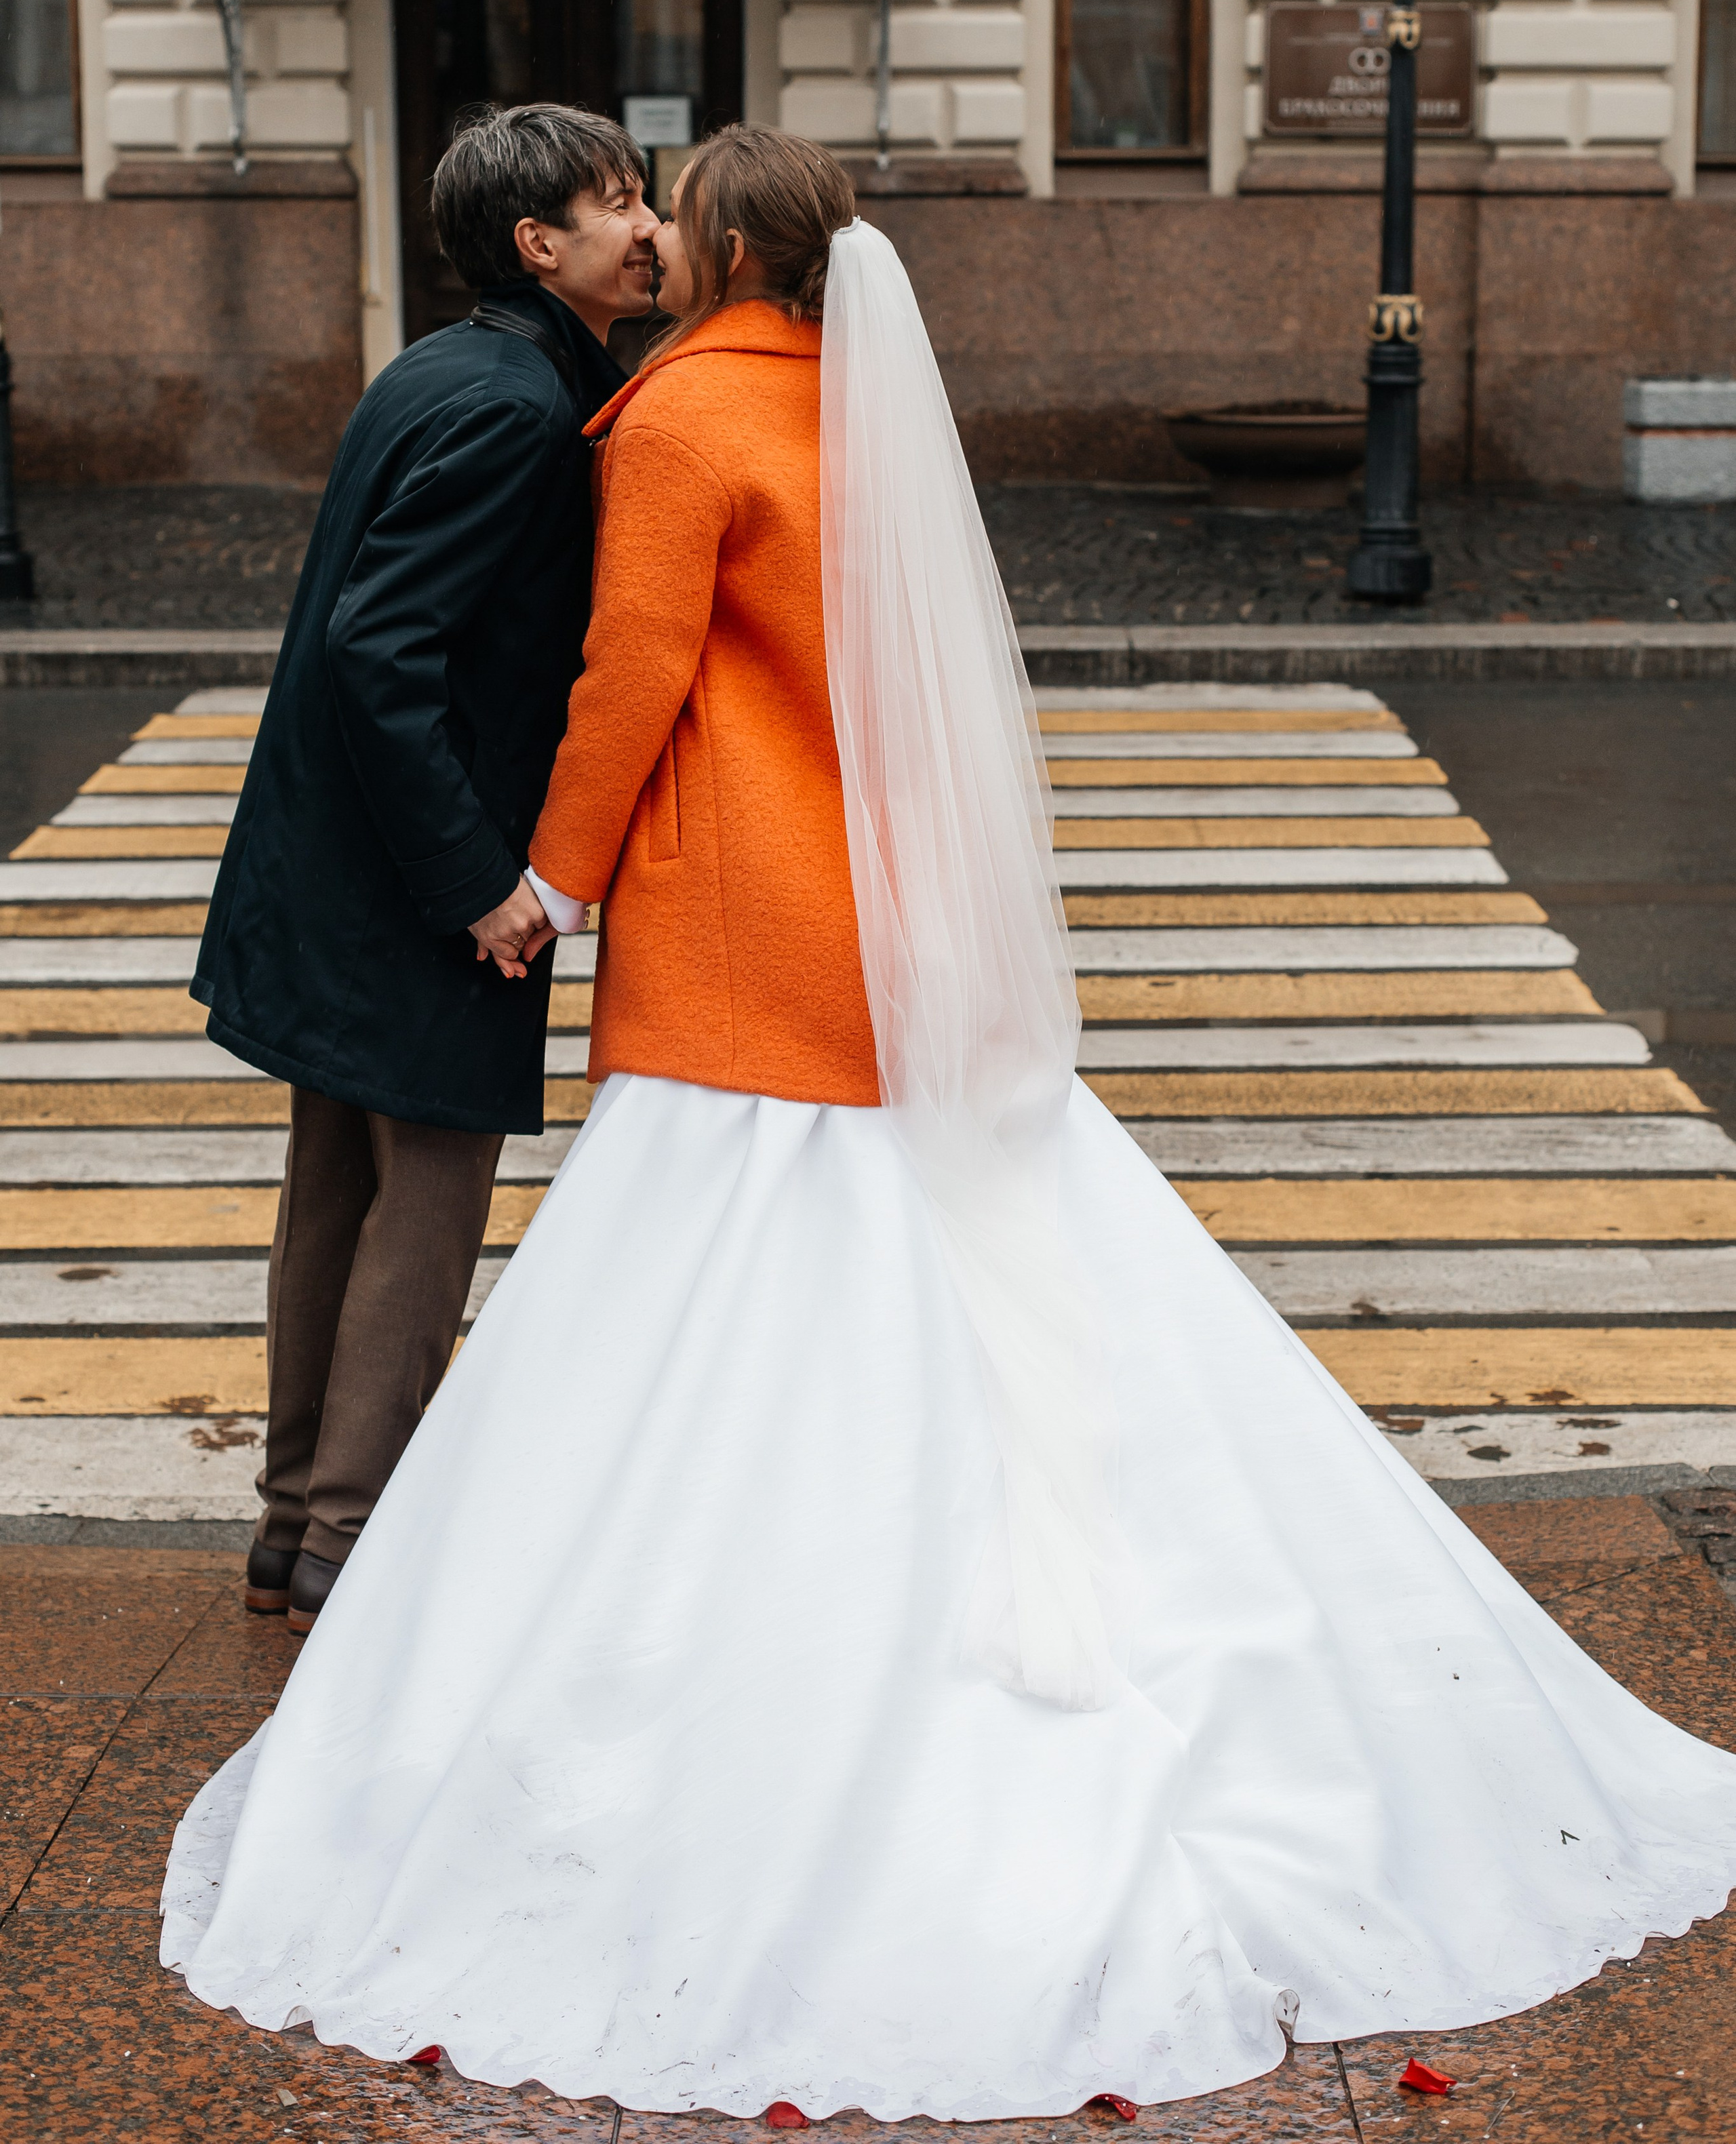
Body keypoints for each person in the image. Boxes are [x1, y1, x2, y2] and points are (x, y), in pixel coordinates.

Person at [163, 126, 1736, 2113]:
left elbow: (631, 681)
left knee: (707, 1311)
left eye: (670, 200)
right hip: (891, 941)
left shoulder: (671, 426)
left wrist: (552, 884)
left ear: (721, 248)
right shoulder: (865, 416)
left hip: (739, 954)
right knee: (944, 1272)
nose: (646, 223)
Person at [193, 104, 655, 1633]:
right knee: (431, 1190)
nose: (649, 227)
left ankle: (285, 1528)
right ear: (542, 246)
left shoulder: (444, 366)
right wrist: (482, 881)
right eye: (620, 204)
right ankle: (352, 1533)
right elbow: (379, 647)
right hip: (416, 868)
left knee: (332, 1184)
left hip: (335, 858)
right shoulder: (518, 409)